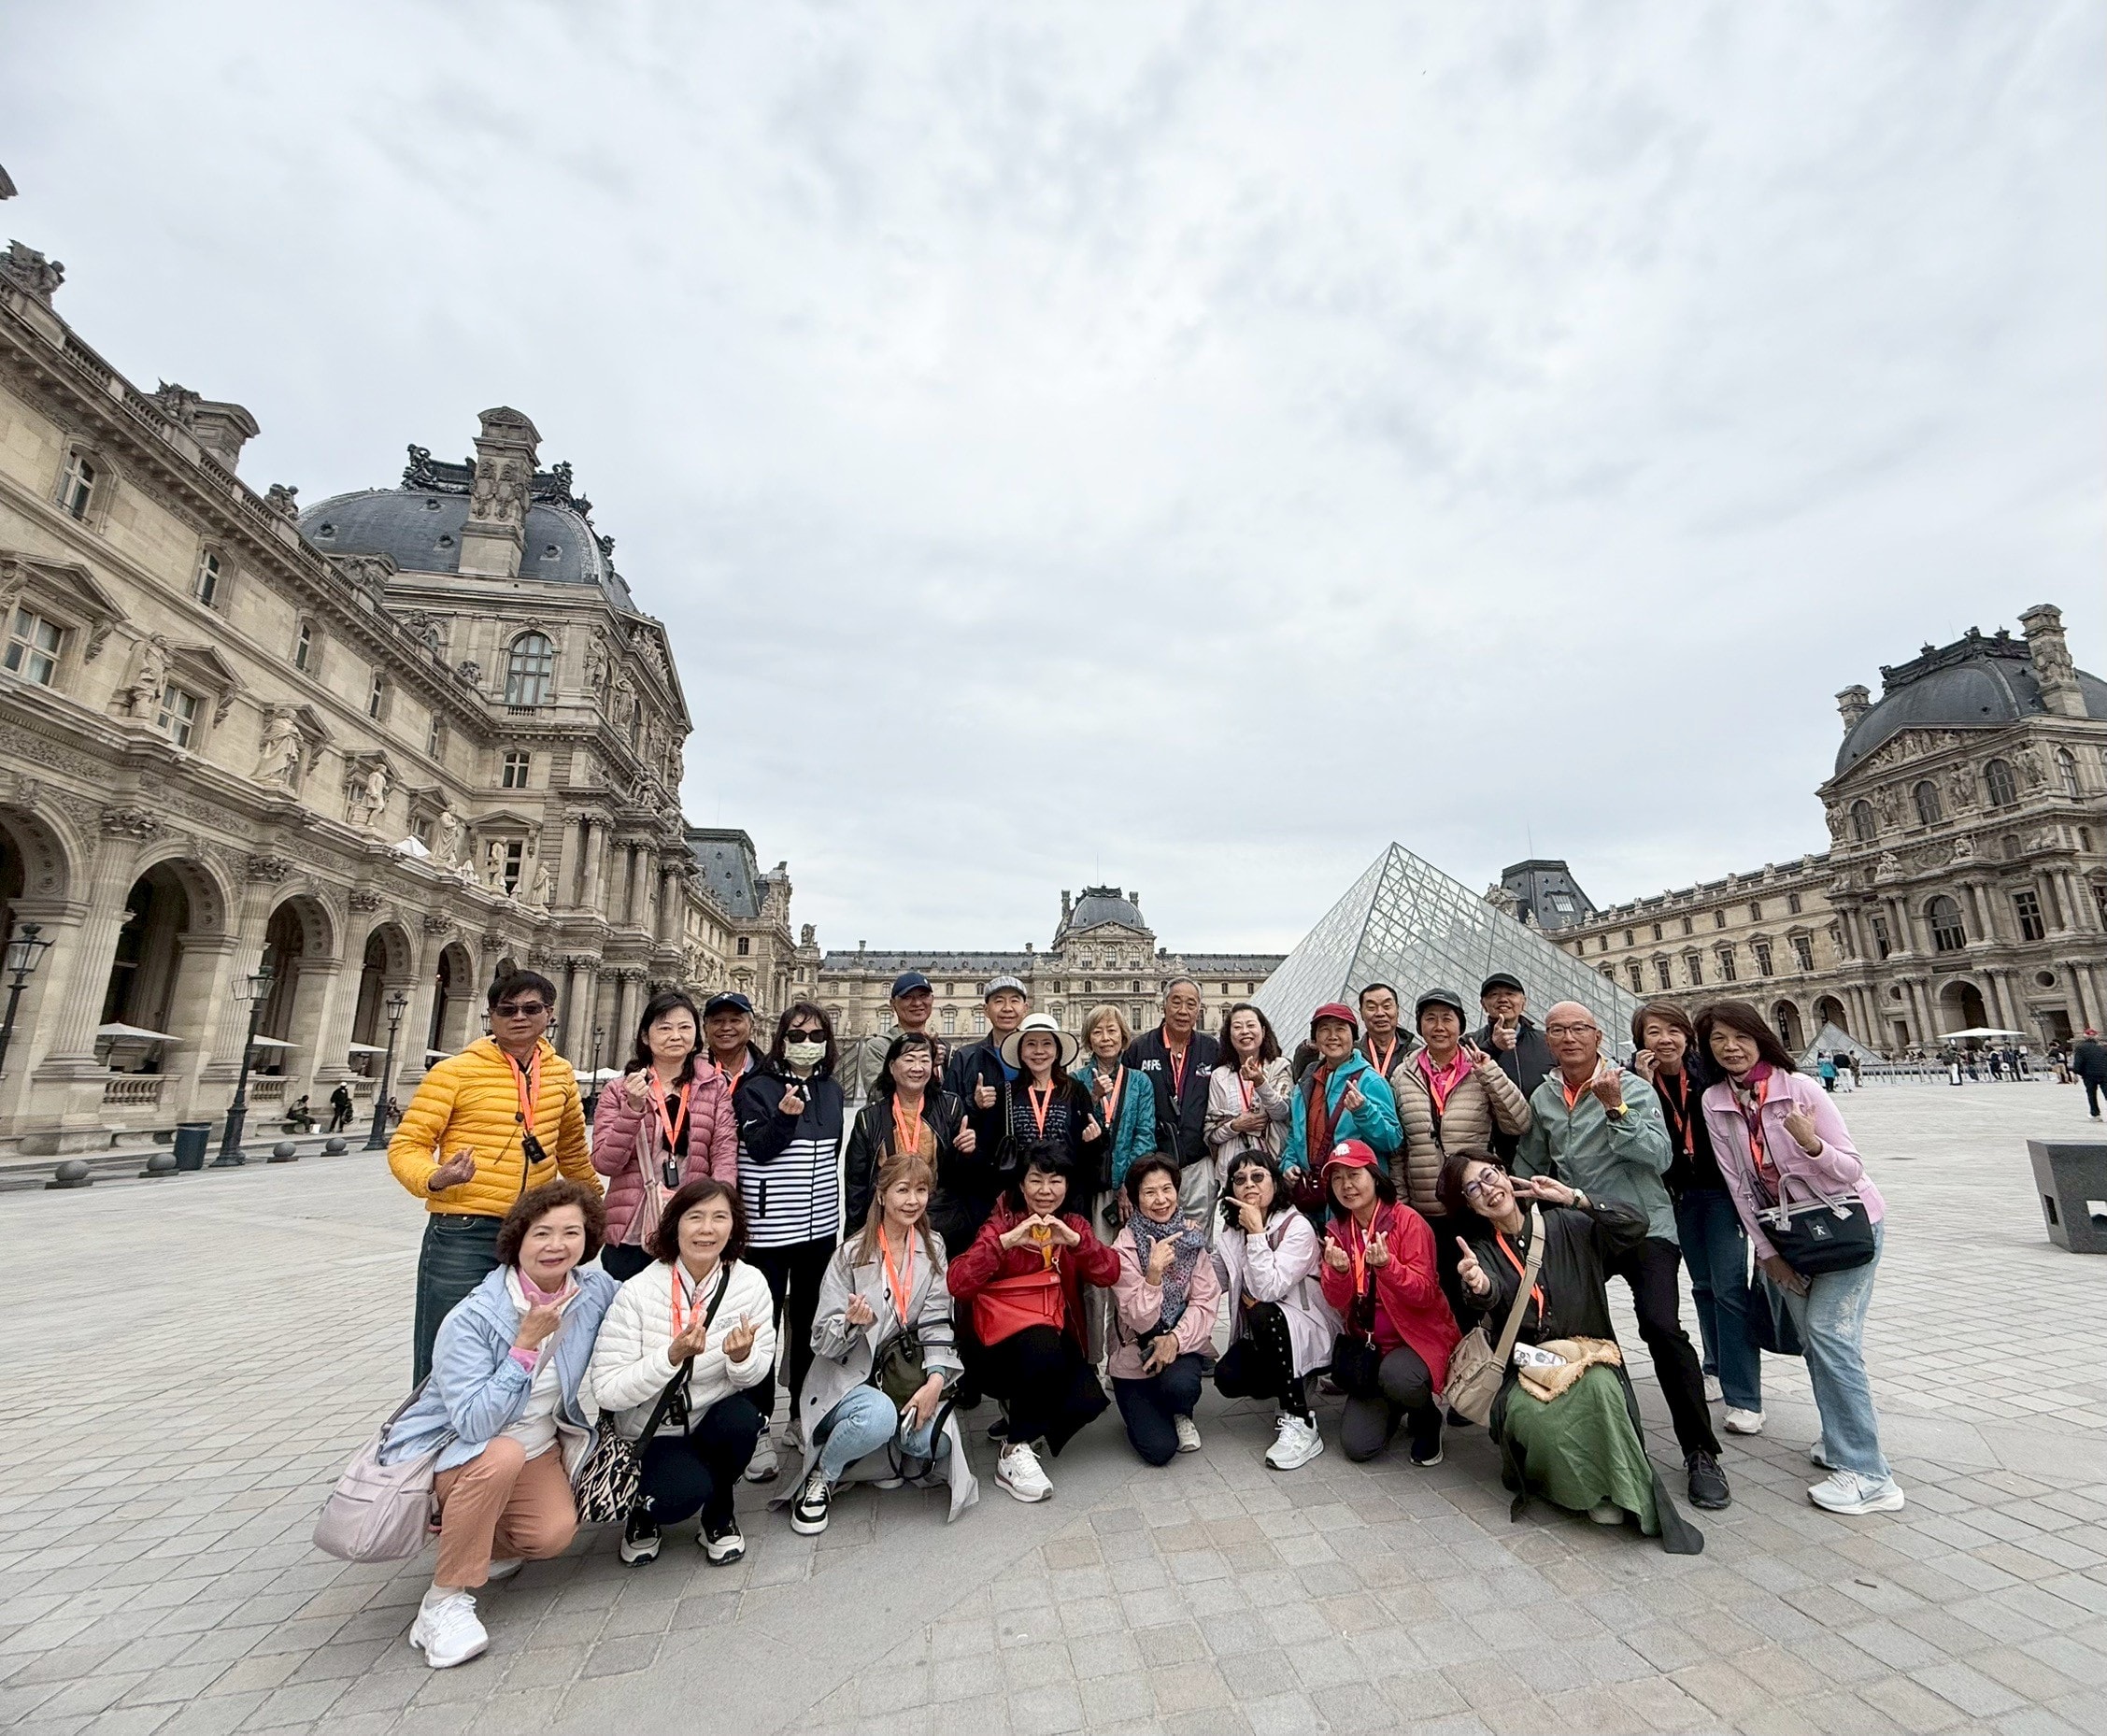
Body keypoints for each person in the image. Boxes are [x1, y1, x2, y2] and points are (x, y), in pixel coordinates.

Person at [379, 1178, 619, 1668]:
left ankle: (482, 1537)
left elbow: (646, 1306)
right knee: (500, 1452)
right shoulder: (475, 1316)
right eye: (543, 1234)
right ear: (518, 1241)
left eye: (571, 1233)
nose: (557, 1246)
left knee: (550, 1535)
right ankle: (443, 1601)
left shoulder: (591, 1292)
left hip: (536, 1450)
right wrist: (524, 1349)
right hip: (459, 1451)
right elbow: (473, 1422)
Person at [1514, 1002, 1730, 1513]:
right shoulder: (1544, 1097)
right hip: (1583, 1229)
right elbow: (1532, 1159)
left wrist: (1615, 1109)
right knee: (1578, 1332)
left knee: (1661, 1327)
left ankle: (1701, 1451)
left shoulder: (1630, 1087)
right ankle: (1600, 1443)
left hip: (1644, 1226)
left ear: (1597, 1035)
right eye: (1558, 1031)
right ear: (1547, 1040)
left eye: (1579, 1029)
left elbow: (1658, 1157)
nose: (1569, 1039)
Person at [1698, 1001, 1902, 1515]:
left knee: (1832, 1339)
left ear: (1760, 1038)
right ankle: (1841, 1443)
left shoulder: (1801, 1089)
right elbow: (1740, 1189)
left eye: (1740, 1036)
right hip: (1789, 1239)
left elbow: (1851, 1170)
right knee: (1815, 1342)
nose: (1730, 1047)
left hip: (1848, 1230)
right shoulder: (1717, 1101)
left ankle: (1871, 1475)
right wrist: (1767, 1255)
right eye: (1719, 1038)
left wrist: (1811, 1146)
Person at [1442, 1152, 1703, 1554]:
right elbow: (1488, 1292)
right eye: (1473, 1189)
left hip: (1588, 1356)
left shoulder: (1567, 1225)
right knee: (1528, 1412)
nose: (1488, 1190)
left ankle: (1622, 1489)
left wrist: (1576, 1198)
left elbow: (1637, 1225)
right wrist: (1478, 1284)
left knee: (1598, 1386)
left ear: (1506, 1176)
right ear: (1471, 1205)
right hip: (1529, 1369)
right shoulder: (1484, 1250)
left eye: (1489, 1176)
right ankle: (1585, 1491)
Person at [390, 970, 598, 1386]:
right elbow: (405, 1146)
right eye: (507, 1010)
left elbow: (572, 1154)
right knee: (445, 1346)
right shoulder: (455, 1072)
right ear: (491, 1017)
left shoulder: (560, 1076)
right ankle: (426, 1443)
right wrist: (435, 1177)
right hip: (463, 1230)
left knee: (517, 1345)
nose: (519, 1017)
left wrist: (597, 1212)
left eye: (531, 1008)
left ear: (549, 1014)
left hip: (532, 1234)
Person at [787, 1149, 978, 1532]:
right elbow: (820, 1341)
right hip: (852, 1378)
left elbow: (939, 1321)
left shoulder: (934, 1246)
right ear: (880, 1195)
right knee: (877, 1417)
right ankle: (823, 1476)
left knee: (935, 1444)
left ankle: (885, 1452)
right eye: (902, 1190)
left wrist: (935, 1382)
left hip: (906, 1374)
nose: (912, 1200)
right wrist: (851, 1324)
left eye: (921, 1190)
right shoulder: (850, 1254)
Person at [586, 1179, 776, 1565]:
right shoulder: (638, 1291)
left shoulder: (750, 1283)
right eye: (696, 1217)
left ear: (734, 1227)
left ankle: (720, 1512)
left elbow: (756, 1374)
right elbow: (606, 1391)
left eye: (720, 1218)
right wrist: (669, 1358)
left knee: (744, 1419)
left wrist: (741, 1359)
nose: (707, 1229)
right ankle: (645, 1511)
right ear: (674, 1225)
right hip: (653, 1427)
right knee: (678, 1497)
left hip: (711, 1415)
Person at [946, 1149, 1120, 1501]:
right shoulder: (1002, 1223)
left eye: (1055, 1180)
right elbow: (958, 1282)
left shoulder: (1074, 1224)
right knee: (1039, 1342)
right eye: (1035, 1180)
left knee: (1085, 1398)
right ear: (1021, 1186)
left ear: (1067, 1185)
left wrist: (1075, 1242)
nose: (1045, 1190)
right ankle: (1014, 1450)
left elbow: (1110, 1273)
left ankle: (1021, 1415)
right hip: (991, 1349)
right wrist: (1007, 1241)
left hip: (1050, 1343)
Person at [1630, 1001, 1762, 1436]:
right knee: (1703, 1287)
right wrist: (1643, 1088)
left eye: (1673, 1029)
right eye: (1653, 1032)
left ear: (1688, 1036)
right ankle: (1713, 1366)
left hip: (1722, 1195)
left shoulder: (1711, 1075)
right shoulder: (1636, 1084)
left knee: (1728, 1291)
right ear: (1640, 1040)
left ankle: (1744, 1395)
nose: (1664, 1039)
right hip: (1678, 1197)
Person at [733, 1003, 846, 1481]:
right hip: (767, 1232)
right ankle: (758, 1426)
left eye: (816, 1035)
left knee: (808, 1329)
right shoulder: (755, 1087)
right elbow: (756, 1149)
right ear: (780, 1039)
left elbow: (830, 1154)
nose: (807, 1042)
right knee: (762, 1328)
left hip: (819, 1230)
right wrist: (782, 1118)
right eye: (797, 1035)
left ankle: (801, 1415)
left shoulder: (832, 1089)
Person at [1389, 988, 1530, 1323]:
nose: (1439, 1026)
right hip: (1426, 1209)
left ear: (1461, 1026)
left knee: (1487, 1291)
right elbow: (1399, 1148)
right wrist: (1403, 1201)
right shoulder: (1402, 1075)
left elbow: (1519, 1122)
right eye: (1430, 1018)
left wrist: (1490, 1073)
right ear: (1420, 1026)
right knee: (1443, 1295)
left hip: (1476, 1205)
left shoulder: (1480, 1067)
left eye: (1447, 1019)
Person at [1317, 1139, 1459, 1466]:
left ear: (1374, 1175)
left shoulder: (1407, 1221)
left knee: (1400, 1377)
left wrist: (1388, 1268)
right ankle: (1394, 1405)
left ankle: (1427, 1419)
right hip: (1368, 1349)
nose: (1346, 1186)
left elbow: (1424, 1293)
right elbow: (1335, 1300)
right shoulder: (1338, 1229)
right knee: (1357, 1447)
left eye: (1353, 1174)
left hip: (1414, 1342)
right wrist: (1338, 1272)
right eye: (1336, 1178)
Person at [592, 990, 738, 1282]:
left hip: (692, 1220)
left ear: (697, 1037)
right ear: (645, 1036)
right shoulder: (619, 1090)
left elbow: (724, 1151)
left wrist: (720, 1207)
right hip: (633, 1225)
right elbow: (606, 1163)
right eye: (664, 1027)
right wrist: (632, 1110)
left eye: (685, 1027)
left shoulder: (714, 1088)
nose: (675, 1035)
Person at [1212, 1150, 1339, 1471]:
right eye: (1239, 1180)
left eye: (1258, 1177)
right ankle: (1292, 1382)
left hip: (1307, 1325)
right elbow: (1213, 1279)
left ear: (1275, 1181)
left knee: (1263, 1311)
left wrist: (1256, 1233)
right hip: (1269, 1332)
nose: (1249, 1185)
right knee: (1228, 1378)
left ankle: (1300, 1419)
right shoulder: (1231, 1231)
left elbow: (1269, 1288)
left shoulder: (1297, 1227)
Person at [1108, 1156, 1221, 1464]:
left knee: (1181, 1386)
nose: (1161, 1200)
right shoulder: (1124, 1247)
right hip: (1135, 1357)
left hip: (1179, 1348)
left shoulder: (1191, 1237)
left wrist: (1174, 1340)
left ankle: (1180, 1410)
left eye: (1167, 1189)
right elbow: (1138, 1318)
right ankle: (1142, 1410)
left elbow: (1205, 1302)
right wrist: (1154, 1272)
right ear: (1134, 1197)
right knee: (1159, 1451)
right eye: (1149, 1192)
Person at [844, 1031, 979, 1248]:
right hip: (887, 1221)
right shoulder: (869, 1118)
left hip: (939, 1221)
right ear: (891, 1066)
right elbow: (856, 1185)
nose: (917, 1068)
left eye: (925, 1060)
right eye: (909, 1060)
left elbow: (960, 1177)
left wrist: (967, 1151)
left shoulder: (951, 1107)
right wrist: (853, 1239)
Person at [1125, 978, 1223, 1222]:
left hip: (1197, 1161)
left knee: (1198, 1236)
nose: (1183, 1011)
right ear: (1164, 1005)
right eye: (1176, 1002)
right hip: (1154, 1165)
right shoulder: (1139, 1049)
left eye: (1191, 1004)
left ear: (1199, 1010)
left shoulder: (1212, 1049)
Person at [1282, 1003, 1402, 1197]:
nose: (1333, 1036)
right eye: (1324, 1030)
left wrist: (1364, 1111)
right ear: (1315, 1038)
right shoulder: (1306, 1081)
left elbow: (1392, 1140)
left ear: (1353, 1037)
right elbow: (1294, 1136)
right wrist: (1289, 1162)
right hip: (1312, 1194)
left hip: (1355, 1195)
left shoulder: (1370, 1081)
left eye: (1340, 1029)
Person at [1075, 1004, 1160, 1220]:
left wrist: (1128, 1183)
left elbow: (1145, 1136)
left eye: (1112, 1030)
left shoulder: (1140, 1082)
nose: (1105, 1038)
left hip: (1130, 1183)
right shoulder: (1076, 1081)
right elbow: (1072, 1131)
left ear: (1123, 1036)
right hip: (1089, 1183)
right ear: (1088, 1040)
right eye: (1097, 1031)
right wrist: (1093, 1099)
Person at [994, 1013, 1104, 1178]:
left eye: (1047, 1043)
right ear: (1021, 1051)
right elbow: (993, 1144)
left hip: (1066, 1189)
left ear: (1057, 1051)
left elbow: (1090, 1152)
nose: (1039, 1051)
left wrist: (1093, 1141)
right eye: (1031, 1044)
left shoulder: (1076, 1090)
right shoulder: (1007, 1092)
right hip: (1019, 1189)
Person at [1204, 1002, 1293, 1188]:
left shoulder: (1279, 1067)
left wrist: (1261, 1083)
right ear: (1229, 1035)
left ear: (1263, 1030)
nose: (1245, 1031)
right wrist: (1236, 1125)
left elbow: (1282, 1113)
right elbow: (1211, 1133)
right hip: (1231, 1171)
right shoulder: (1219, 1076)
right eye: (1237, 1027)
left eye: (1251, 1025)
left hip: (1271, 1164)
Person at [945, 975, 1032, 1161]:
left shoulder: (1038, 1059)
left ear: (1025, 1009)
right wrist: (973, 1103)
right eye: (999, 1001)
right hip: (980, 1166)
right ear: (986, 1010)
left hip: (1031, 1167)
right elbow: (946, 1115)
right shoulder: (965, 1057)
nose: (1007, 1008)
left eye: (1014, 1001)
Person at [1472, 973, 1554, 1161]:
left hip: (1546, 1144)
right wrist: (1491, 1048)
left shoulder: (1548, 1042)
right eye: (1494, 995)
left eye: (1510, 993)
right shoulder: (1470, 1044)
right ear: (1483, 1004)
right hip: (1495, 1149)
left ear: (1523, 1002)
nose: (1503, 999)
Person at [841, 971, 950, 1103]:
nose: (917, 1003)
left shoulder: (944, 1049)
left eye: (923, 996)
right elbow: (878, 1095)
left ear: (932, 1000)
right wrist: (926, 1064)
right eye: (907, 997)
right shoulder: (878, 1047)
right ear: (893, 1004)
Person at [701, 991, 767, 1098]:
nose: (726, 1027)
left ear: (752, 1026)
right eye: (717, 1021)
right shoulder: (690, 1072)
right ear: (705, 1029)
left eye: (735, 1020)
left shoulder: (770, 1073)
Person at [1356, 983, 1417, 1090]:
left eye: (1387, 1006)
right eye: (1371, 1007)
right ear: (1361, 1013)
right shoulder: (1351, 1055)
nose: (1380, 1013)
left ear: (1397, 1010)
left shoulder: (1416, 1054)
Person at [2073, 1028, 2106, 1119]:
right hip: (2104, 1073)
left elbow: (2078, 1062)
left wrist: (2076, 1073)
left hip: (2089, 1075)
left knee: (2091, 1094)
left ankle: (2095, 1114)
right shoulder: (2103, 1047)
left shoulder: (2080, 1048)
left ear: (2085, 1036)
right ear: (2096, 1037)